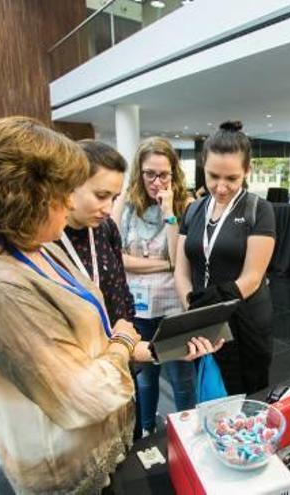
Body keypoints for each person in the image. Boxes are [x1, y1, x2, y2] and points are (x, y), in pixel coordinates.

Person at [0, 116, 220, 494]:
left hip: (101, 449)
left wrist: (164, 349)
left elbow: (91, 344)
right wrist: (125, 342)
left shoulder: (39, 249)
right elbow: (86, 397)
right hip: (65, 471)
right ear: (27, 195)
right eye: (66, 191)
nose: (72, 203)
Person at [175, 121, 277, 395]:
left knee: (244, 393)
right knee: (208, 388)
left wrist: (215, 302)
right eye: (212, 176)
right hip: (202, 317)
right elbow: (181, 270)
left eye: (231, 178)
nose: (220, 187)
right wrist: (191, 307)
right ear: (203, 168)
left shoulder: (259, 210)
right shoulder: (193, 209)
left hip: (245, 319)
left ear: (247, 171)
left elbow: (253, 278)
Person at [113, 137, 195, 435]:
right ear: (139, 172)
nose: (157, 181)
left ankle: (186, 433)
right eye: (150, 173)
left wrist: (169, 213)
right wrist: (164, 266)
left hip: (173, 307)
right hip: (138, 308)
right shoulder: (126, 205)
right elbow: (117, 258)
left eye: (164, 174)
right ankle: (146, 431)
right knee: (145, 378)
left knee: (181, 377)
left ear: (174, 174)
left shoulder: (185, 206)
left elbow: (178, 258)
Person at [58, 140, 135, 327]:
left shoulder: (106, 228)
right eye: (101, 196)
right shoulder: (46, 239)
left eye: (114, 198)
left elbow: (122, 291)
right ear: (70, 185)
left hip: (120, 345)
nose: (108, 209)